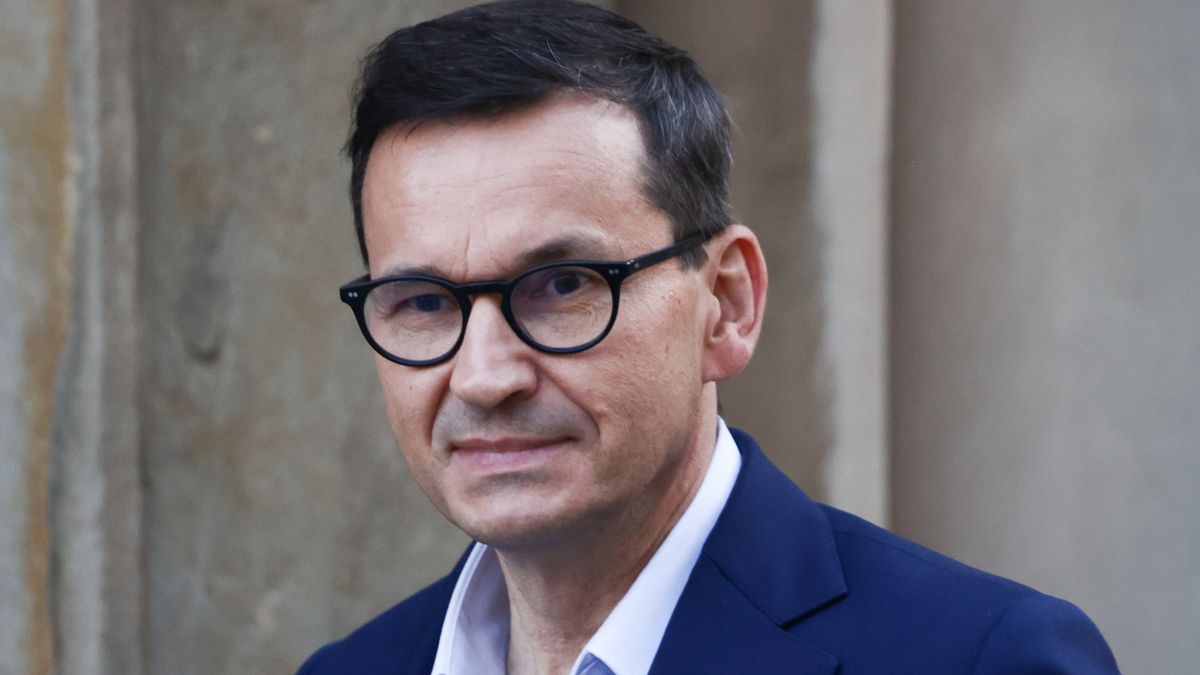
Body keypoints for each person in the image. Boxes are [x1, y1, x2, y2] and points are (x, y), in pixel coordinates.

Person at [300, 1, 1119, 673]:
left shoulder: (981, 658)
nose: (483, 376)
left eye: (562, 285)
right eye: (424, 302)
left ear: (726, 303)